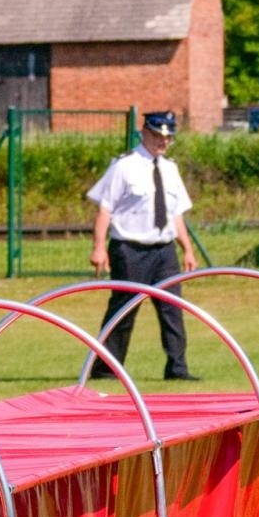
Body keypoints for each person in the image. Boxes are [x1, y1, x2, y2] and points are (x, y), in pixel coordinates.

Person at [87, 110, 201, 381]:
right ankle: (106, 369)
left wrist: (187, 248)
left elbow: (176, 215)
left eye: (168, 137)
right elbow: (105, 210)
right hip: (130, 249)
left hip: (164, 250)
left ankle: (177, 368)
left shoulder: (170, 169)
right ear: (145, 133)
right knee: (123, 310)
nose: (164, 142)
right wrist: (99, 247)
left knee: (172, 309)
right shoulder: (124, 166)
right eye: (159, 136)